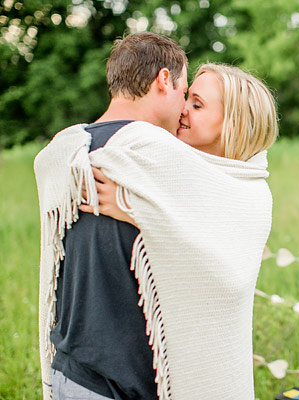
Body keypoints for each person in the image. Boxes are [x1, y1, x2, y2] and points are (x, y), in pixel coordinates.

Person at [34, 33, 278, 400]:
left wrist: (142, 212)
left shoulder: (246, 191)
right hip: (100, 374)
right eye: (187, 97)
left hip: (159, 375)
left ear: (235, 123)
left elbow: (228, 276)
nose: (183, 110)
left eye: (197, 105)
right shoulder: (148, 158)